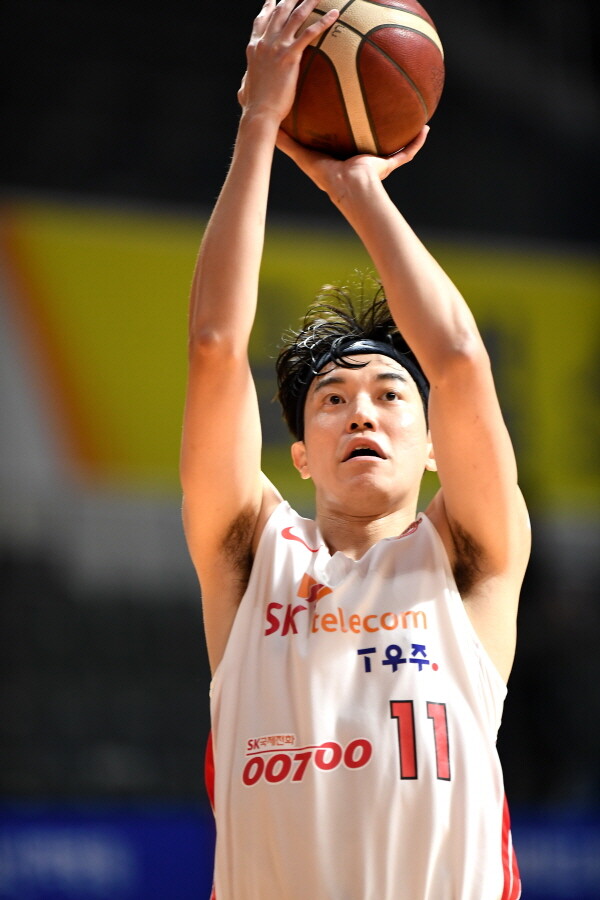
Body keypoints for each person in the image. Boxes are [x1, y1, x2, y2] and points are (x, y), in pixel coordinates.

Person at [180, 1, 530, 897]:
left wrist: (358, 190)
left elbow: (459, 361)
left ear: (435, 446)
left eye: (388, 395)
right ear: (299, 454)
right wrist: (260, 119)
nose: (360, 413)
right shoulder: (250, 555)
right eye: (331, 402)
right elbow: (216, 347)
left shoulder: (468, 560)